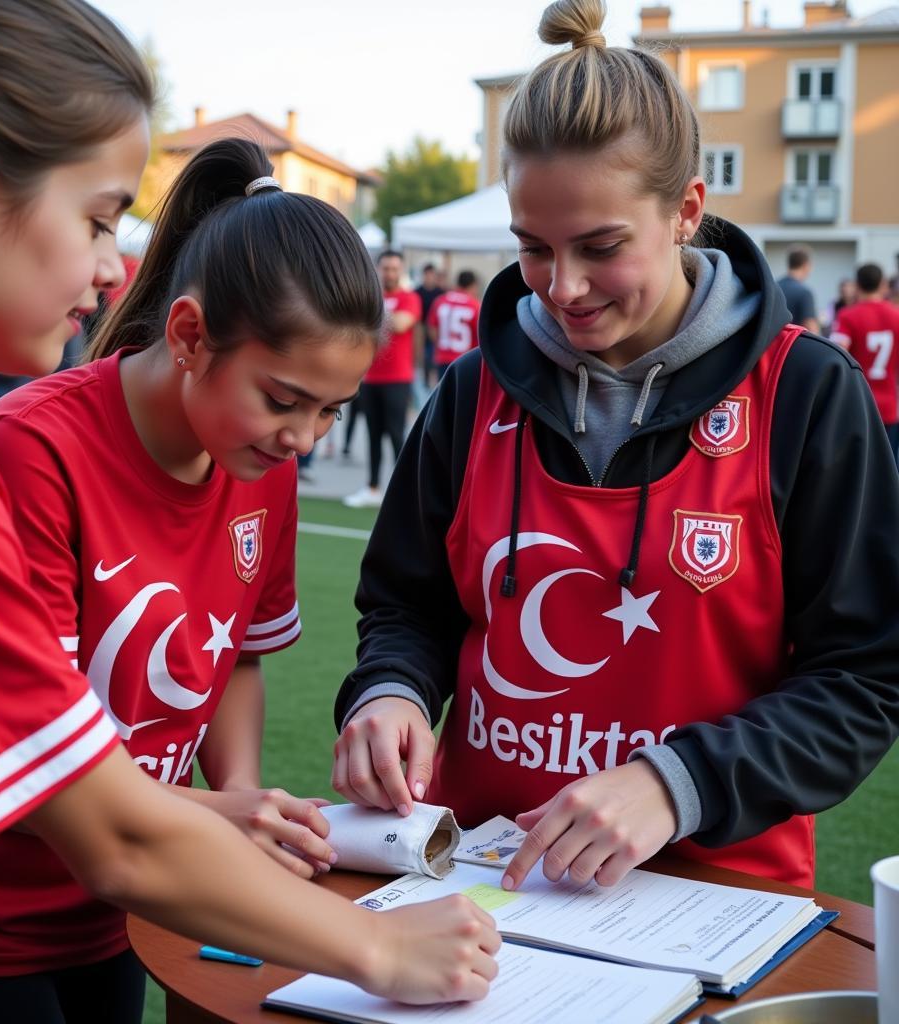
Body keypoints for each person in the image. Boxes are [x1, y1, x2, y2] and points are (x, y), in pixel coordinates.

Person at [0, 4, 501, 1023]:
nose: (114, 263)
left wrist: (236, 811)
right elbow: (109, 830)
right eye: (96, 217)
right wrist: (376, 946)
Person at [332, 0, 899, 899]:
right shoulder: (473, 390)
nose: (562, 288)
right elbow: (405, 607)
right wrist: (391, 691)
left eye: (601, 247)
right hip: (486, 888)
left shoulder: (806, 394)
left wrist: (675, 785)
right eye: (532, 248)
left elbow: (867, 678)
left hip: (713, 900)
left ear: (686, 211)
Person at [0, 136, 401, 1019]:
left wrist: (233, 801)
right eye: (281, 399)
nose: (304, 440)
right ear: (190, 335)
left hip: (136, 907)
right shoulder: (33, 451)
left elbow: (238, 657)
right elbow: (31, 749)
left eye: (329, 412)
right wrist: (205, 820)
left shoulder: (264, 470)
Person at [343, 250, 420, 508]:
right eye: (385, 268)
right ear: (377, 269)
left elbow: (400, 324)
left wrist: (370, 313)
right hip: (370, 379)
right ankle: (373, 487)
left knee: (397, 436)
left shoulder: (408, 297)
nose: (389, 273)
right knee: (373, 435)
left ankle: (405, 491)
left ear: (401, 271)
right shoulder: (373, 299)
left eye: (394, 268)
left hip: (397, 378)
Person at [831, 262, 899, 461]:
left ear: (858, 285)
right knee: (889, 467)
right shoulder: (896, 315)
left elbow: (837, 353)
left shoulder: (848, 315)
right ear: (882, 284)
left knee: (859, 467)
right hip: (889, 404)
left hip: (858, 402)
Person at [427, 270, 481, 380]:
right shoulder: (475, 305)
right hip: (466, 360)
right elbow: (480, 334)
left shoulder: (440, 300)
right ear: (473, 285)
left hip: (443, 358)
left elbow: (432, 329)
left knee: (444, 394)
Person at [775, 246, 821, 335]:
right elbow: (811, 328)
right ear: (806, 265)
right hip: (794, 345)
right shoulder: (805, 293)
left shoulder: (774, 287)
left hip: (773, 345)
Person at [415, 262, 445, 388]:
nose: (429, 277)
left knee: (435, 358)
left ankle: (435, 384)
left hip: (436, 330)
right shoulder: (417, 292)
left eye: (431, 275)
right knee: (424, 359)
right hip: (421, 330)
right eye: (427, 275)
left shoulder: (441, 292)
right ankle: (425, 384)